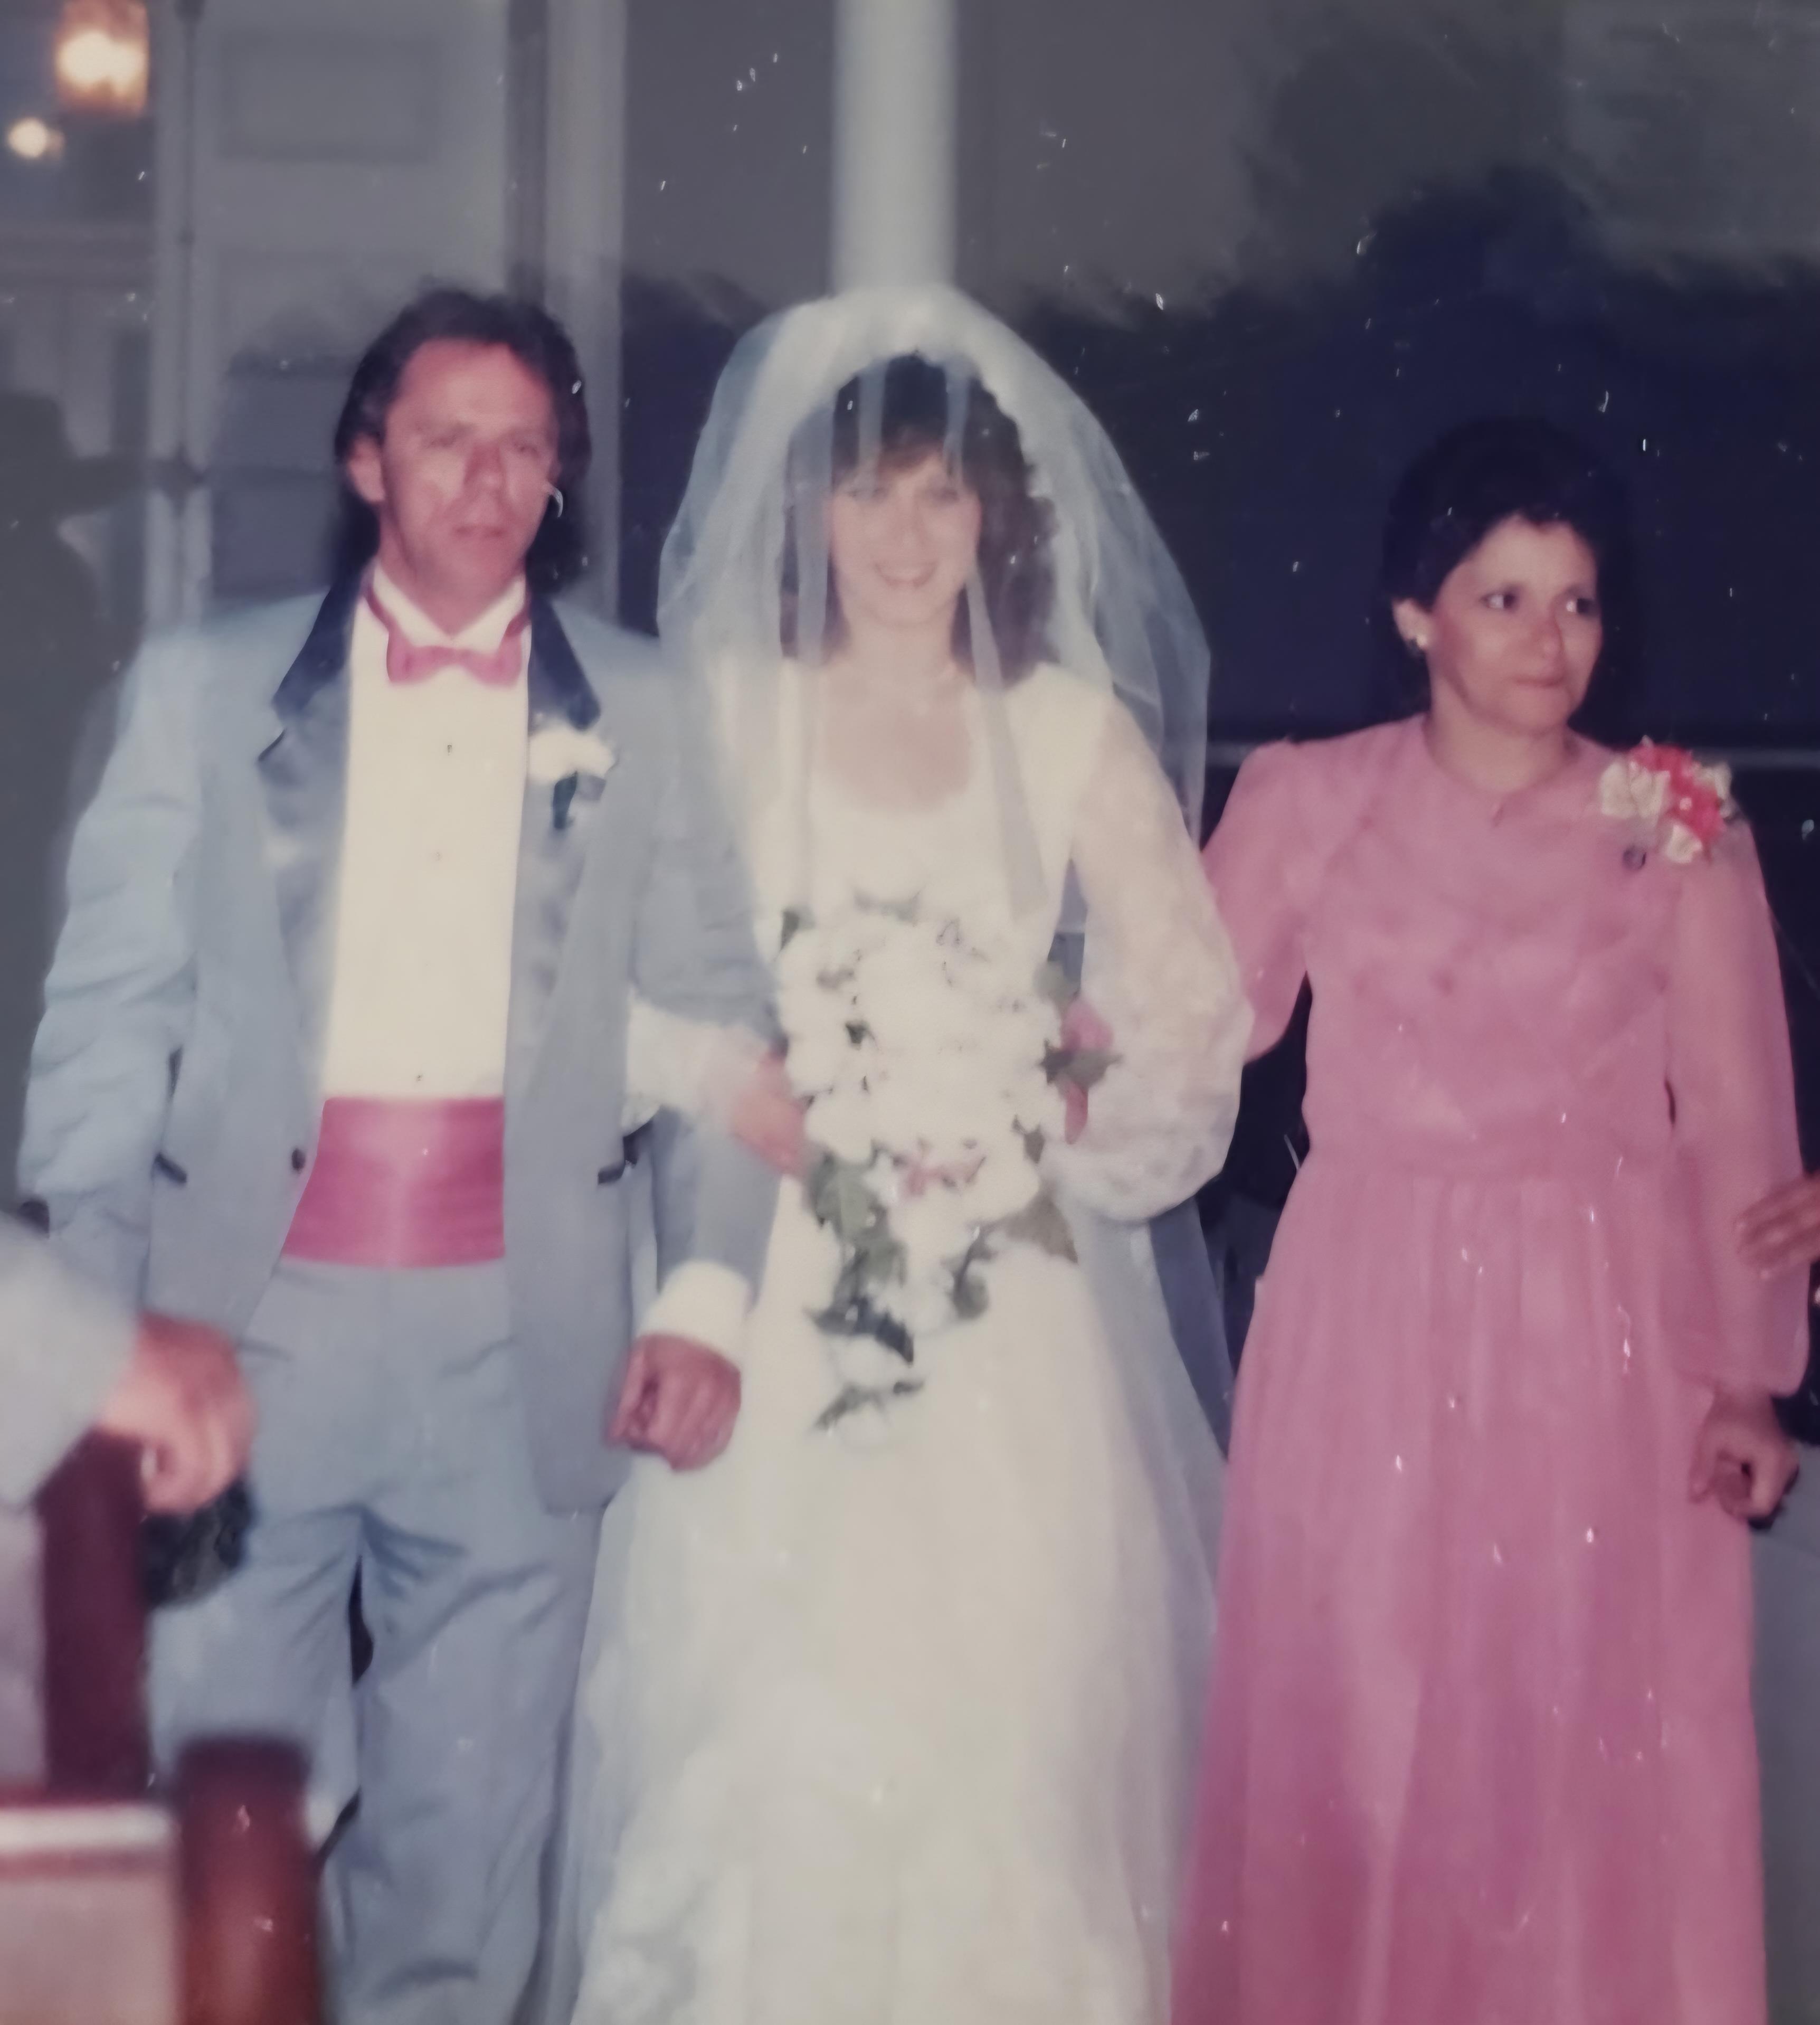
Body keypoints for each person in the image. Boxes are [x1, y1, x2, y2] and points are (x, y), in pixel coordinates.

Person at [19, 288, 781, 2025]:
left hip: (525, 1345)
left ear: (559, 482)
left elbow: (721, 1025)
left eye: (525, 447)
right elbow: (104, 1024)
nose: (487, 477)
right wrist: (93, 1331)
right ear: (370, 461)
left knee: (468, 1850)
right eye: (448, 438)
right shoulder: (203, 693)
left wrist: (711, 1298)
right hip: (241, 1333)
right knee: (233, 1821)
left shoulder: (649, 710)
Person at [549, 288, 1249, 2025]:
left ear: (998, 516)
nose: (907, 536)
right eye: (870, 494)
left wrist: (1046, 1109)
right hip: (764, 1298)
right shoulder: (718, 713)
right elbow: (598, 1001)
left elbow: (1190, 1013)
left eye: (944, 496)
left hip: (1006, 1315)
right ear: (809, 514)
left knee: (1001, 1735)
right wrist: (744, 1079)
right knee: (761, 1728)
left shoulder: (1065, 735)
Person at [1173, 416, 1807, 2025]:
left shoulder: (1678, 823)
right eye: (1506, 597)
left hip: (1603, 1319)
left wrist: (1752, 1378)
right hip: (1367, 1303)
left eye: (1578, 603)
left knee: (1571, 1724)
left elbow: (1736, 1122)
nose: (1550, 639)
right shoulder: (1310, 799)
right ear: (1416, 614)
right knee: (1368, 1718)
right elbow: (1190, 1027)